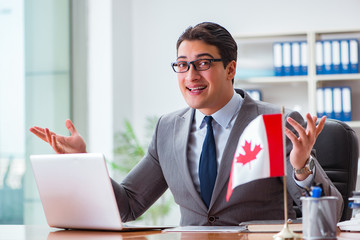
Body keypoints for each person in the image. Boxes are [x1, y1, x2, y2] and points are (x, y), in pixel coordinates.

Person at [30, 22, 343, 226]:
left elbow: (332, 215)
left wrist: (302, 168)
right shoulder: (168, 128)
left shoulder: (274, 122)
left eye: (203, 64)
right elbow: (128, 205)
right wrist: (80, 162)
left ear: (230, 68)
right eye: (182, 65)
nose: (191, 76)